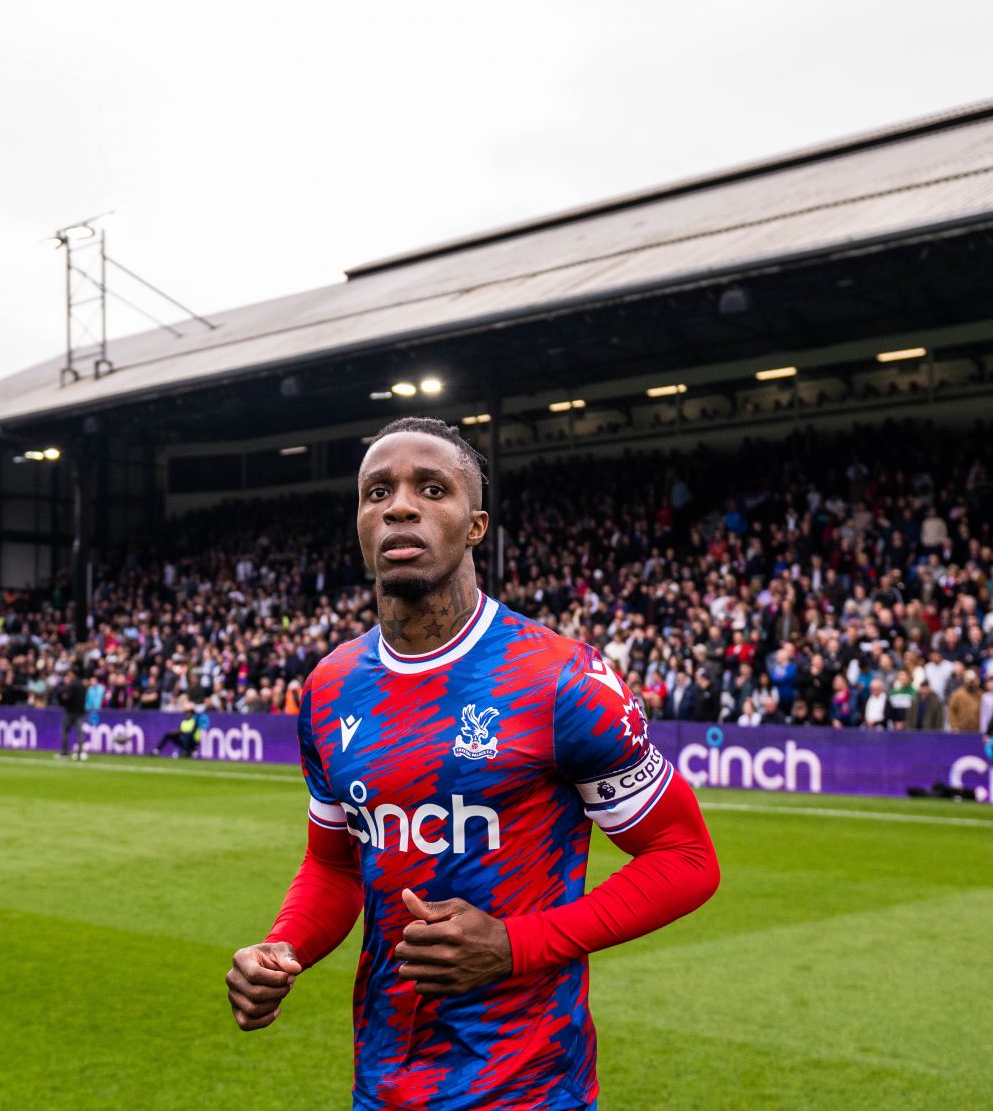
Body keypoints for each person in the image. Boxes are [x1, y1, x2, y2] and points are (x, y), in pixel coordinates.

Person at [225, 418, 719, 1108]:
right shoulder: (329, 686)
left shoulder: (560, 680)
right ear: (360, 524)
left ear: (476, 525)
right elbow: (334, 865)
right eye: (377, 493)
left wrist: (514, 945)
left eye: (432, 488)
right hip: (383, 1082)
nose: (400, 505)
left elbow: (684, 858)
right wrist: (283, 949)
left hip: (531, 1087)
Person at [57, 670, 88, 760]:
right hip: (80, 713)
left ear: (73, 675)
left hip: (70, 712)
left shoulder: (71, 685)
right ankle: (80, 753)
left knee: (65, 731)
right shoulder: (83, 685)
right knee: (80, 734)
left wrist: (61, 696)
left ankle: (65, 752)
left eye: (69, 675)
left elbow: (67, 699)